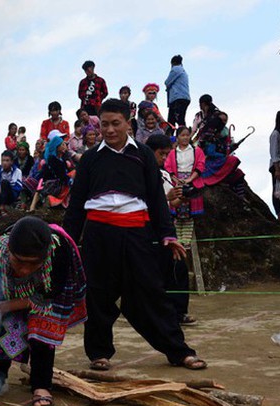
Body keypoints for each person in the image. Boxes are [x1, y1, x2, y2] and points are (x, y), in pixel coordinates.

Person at [62, 98, 206, 372]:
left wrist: (167, 234)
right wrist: (68, 241)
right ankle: (99, 353)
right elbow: (77, 205)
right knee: (97, 295)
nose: (110, 130)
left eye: (116, 123)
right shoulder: (90, 159)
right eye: (104, 124)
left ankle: (178, 351)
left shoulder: (142, 155)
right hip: (98, 235)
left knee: (151, 293)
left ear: (129, 123)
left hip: (136, 234)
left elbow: (155, 199)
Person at [0, 217, 86, 406]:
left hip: (47, 298)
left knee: (41, 329)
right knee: (3, 324)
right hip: (10, 292)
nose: (25, 269)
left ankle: (41, 385)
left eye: (33, 264)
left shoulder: (58, 249)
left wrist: (4, 306)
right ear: (10, 251)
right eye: (19, 262)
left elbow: (51, 293)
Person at [148, 134, 197, 326]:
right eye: (161, 154)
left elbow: (171, 203)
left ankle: (178, 312)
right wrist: (165, 197)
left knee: (178, 267)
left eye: (167, 154)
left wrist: (181, 197)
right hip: (148, 228)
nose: (163, 158)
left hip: (166, 225)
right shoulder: (140, 173)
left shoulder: (164, 174)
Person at [164, 126, 206, 245]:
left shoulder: (196, 151)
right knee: (177, 211)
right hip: (177, 181)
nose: (185, 137)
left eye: (187, 135)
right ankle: (177, 238)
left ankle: (186, 240)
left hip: (191, 180)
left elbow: (200, 165)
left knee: (189, 213)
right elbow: (168, 167)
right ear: (177, 137)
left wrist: (190, 179)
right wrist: (175, 178)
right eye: (182, 135)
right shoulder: (173, 153)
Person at [0, 151, 23, 217]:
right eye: (3, 160)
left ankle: (3, 207)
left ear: (11, 162)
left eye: (7, 160)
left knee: (4, 183)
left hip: (11, 196)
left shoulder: (17, 171)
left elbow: (18, 188)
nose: (4, 163)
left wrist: (1, 188)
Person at [164, 55, 190, 127]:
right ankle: (180, 134)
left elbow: (167, 82)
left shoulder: (176, 69)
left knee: (177, 119)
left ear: (172, 63)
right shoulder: (183, 71)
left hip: (178, 98)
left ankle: (183, 134)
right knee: (174, 119)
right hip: (183, 98)